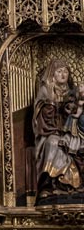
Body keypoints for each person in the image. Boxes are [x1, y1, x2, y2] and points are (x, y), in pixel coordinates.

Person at [33, 59, 80, 200]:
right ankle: (49, 184)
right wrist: (51, 106)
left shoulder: (73, 92)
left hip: (70, 131)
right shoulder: (45, 90)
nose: (63, 74)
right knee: (53, 143)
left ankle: (71, 186)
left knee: (77, 144)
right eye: (59, 71)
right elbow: (40, 113)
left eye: (65, 71)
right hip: (50, 131)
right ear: (53, 75)